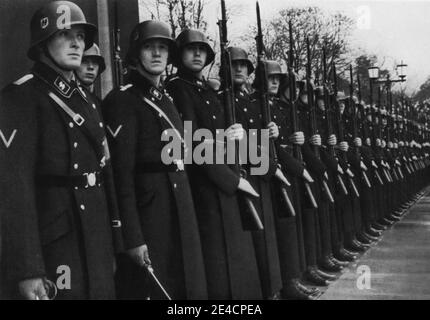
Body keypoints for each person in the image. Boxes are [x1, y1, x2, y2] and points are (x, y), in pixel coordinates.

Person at [0, 1, 123, 299]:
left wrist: (116, 240)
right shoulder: (22, 97)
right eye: (64, 34)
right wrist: (28, 269)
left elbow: (105, 172)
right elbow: (15, 191)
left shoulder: (86, 99)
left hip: (96, 237)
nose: (76, 43)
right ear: (42, 43)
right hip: (55, 240)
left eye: (80, 36)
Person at [101, 20, 207, 300]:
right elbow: (121, 176)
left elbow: (187, 152)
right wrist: (132, 237)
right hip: (150, 214)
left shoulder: (167, 99)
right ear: (136, 54)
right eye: (149, 47)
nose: (157, 53)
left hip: (179, 206)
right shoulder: (122, 100)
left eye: (163, 47)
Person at [166, 29, 263, 299]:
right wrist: (233, 181)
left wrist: (236, 138)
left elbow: (214, 135)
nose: (197, 53)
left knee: (234, 259)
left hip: (224, 179)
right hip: (205, 186)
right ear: (180, 54)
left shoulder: (205, 90)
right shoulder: (177, 88)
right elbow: (190, 143)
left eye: (202, 50)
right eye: (190, 49)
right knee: (217, 265)